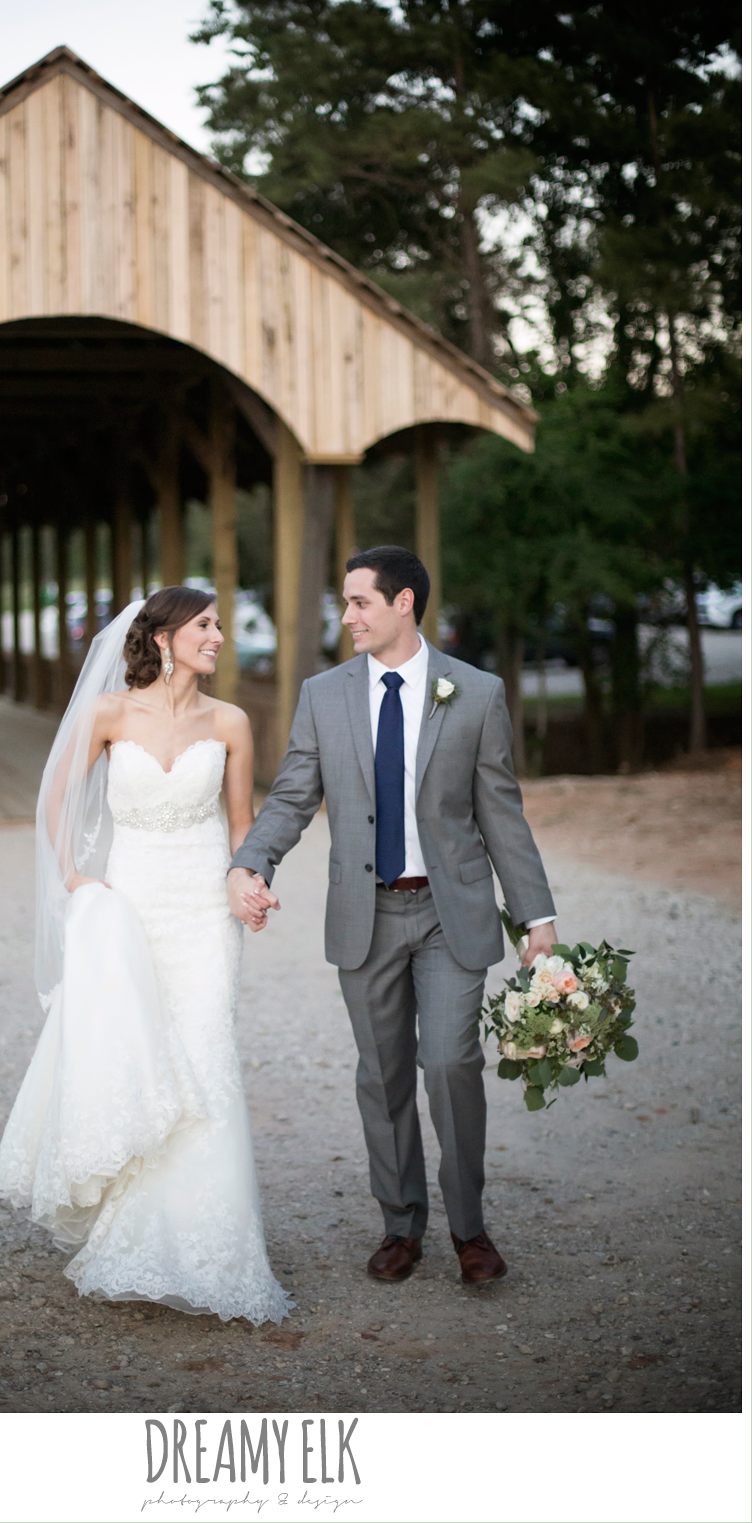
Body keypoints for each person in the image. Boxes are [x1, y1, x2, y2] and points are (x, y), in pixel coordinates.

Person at [228, 546, 557, 1287]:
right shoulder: (323, 694)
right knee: (382, 1076)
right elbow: (291, 797)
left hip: (450, 912)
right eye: (345, 604)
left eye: (358, 603)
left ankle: (470, 1229)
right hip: (364, 914)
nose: (346, 617)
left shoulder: (473, 692)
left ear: (404, 602)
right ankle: (401, 1227)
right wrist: (252, 863)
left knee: (449, 1063)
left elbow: (500, 811)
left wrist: (536, 914)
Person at [0, 587, 290, 1326]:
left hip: (201, 911)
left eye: (218, 625)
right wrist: (72, 878)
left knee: (204, 1054)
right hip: (128, 905)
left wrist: (249, 882)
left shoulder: (231, 722)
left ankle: (217, 1247)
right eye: (205, 626)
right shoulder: (106, 715)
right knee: (137, 1056)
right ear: (161, 638)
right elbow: (55, 801)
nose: (219, 636)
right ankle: (133, 1229)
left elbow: (243, 824)